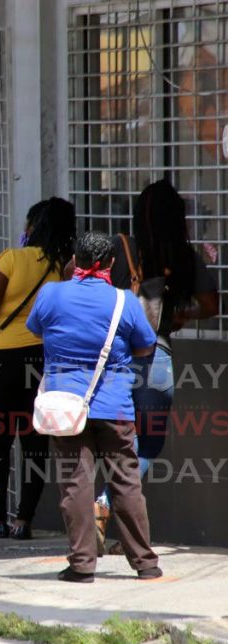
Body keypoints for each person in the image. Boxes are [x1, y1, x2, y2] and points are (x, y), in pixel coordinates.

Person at [26, 231, 162, 582]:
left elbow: (37, 329)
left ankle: (82, 565)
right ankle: (145, 564)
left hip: (66, 407)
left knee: (76, 484)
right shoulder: (124, 301)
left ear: (76, 260)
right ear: (111, 264)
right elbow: (146, 347)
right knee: (126, 484)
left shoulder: (51, 293)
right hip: (115, 407)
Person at [94, 179, 218, 552]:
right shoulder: (184, 256)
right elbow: (212, 307)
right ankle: (105, 508)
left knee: (114, 443)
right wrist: (179, 316)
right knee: (144, 447)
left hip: (114, 360)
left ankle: (108, 521)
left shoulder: (120, 248)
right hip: (157, 359)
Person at [0, 197, 76, 540]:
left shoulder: (10, 259)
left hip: (3, 362)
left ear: (31, 227)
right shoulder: (63, 267)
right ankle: (25, 520)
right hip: (43, 361)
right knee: (34, 441)